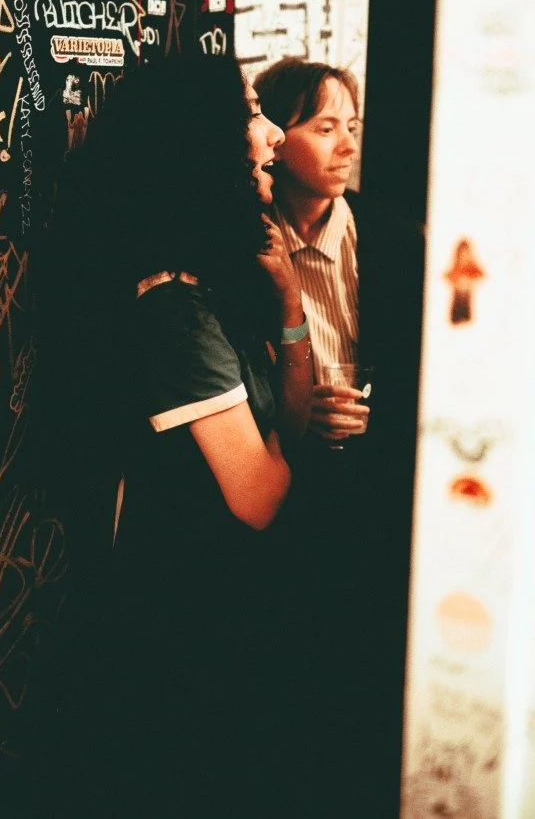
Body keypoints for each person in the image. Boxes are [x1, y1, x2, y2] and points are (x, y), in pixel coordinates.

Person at [39, 53, 314, 818]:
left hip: (213, 621)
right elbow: (258, 496)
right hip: (182, 634)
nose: (272, 135)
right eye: (252, 116)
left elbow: (288, 424)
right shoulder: (173, 313)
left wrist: (289, 297)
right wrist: (290, 457)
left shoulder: (211, 286)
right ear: (203, 148)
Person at [253, 57, 425, 817]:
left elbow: (436, 374)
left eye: (350, 127)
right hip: (280, 487)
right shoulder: (244, 247)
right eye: (323, 128)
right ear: (274, 139)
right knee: (286, 677)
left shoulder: (394, 240)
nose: (345, 144)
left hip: (379, 491)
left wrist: (375, 415)